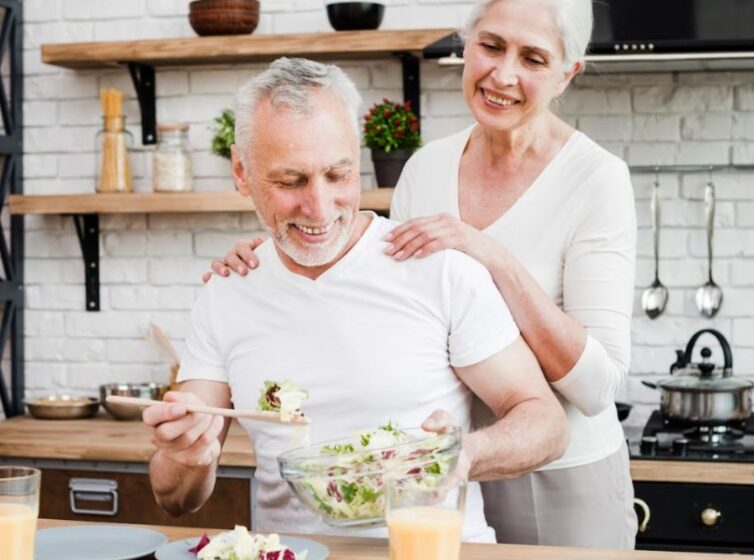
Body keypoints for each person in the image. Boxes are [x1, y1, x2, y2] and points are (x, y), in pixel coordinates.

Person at [203, 0, 638, 549]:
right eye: (492, 46)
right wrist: (270, 250)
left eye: (532, 58)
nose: (503, 74)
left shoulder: (596, 178)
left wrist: (493, 256)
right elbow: (381, 281)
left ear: (565, 74)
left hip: (560, 467)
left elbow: (599, 386)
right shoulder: (427, 166)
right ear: (466, 45)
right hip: (442, 467)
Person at [143, 57, 568, 543]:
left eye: (338, 174)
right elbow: (176, 498)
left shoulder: (436, 268)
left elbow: (545, 423)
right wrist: (185, 457)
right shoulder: (227, 294)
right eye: (290, 181)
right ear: (242, 171)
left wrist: (464, 454)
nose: (320, 208)